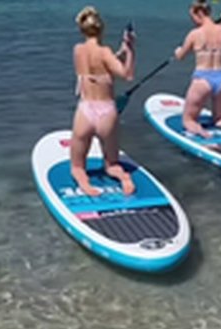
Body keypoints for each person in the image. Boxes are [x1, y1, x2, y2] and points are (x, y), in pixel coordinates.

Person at [70, 6, 135, 196]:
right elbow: (126, 74)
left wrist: (119, 53)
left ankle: (85, 184)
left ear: (82, 30)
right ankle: (124, 178)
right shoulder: (105, 52)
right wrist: (130, 50)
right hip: (107, 113)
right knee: (112, 165)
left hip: (85, 111)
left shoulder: (78, 50)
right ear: (102, 29)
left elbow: (95, 67)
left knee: (77, 166)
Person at [174, 0, 221, 138]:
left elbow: (181, 56)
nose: (193, 21)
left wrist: (177, 51)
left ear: (199, 13)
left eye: (192, 16)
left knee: (188, 120)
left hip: (202, 79)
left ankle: (201, 132)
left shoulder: (195, 34)